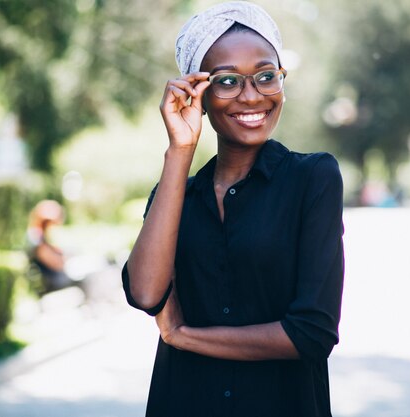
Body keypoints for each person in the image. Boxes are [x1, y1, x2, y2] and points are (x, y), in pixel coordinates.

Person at [122, 2, 344, 416]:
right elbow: (145, 293)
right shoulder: (172, 196)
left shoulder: (313, 179)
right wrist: (180, 149)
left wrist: (183, 336)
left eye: (266, 76)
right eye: (227, 81)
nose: (251, 96)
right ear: (198, 93)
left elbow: (311, 334)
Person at [26, 200, 74, 293]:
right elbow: (56, 263)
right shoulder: (35, 237)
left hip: (57, 279)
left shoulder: (42, 236)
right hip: (53, 284)